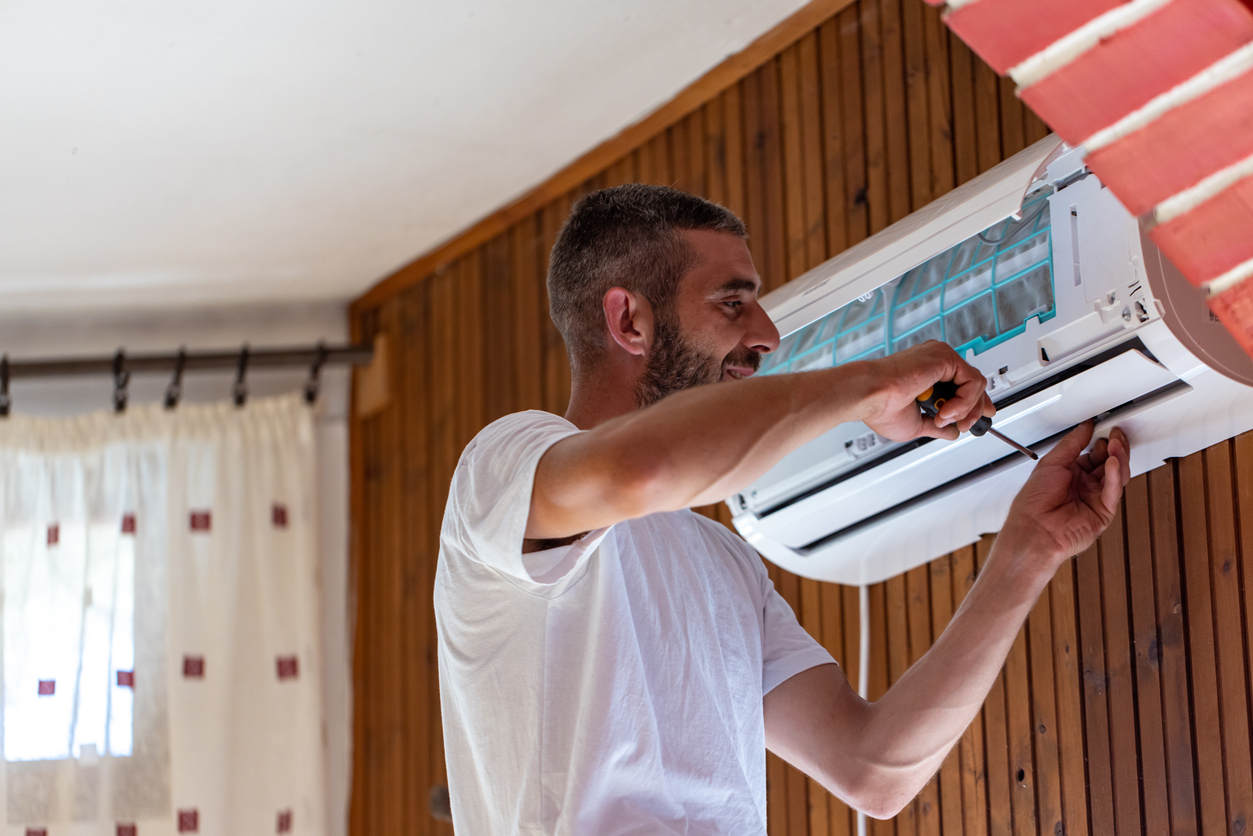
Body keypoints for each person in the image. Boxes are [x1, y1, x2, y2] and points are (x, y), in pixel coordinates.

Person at [434, 184, 1130, 834]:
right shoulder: (504, 465)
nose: (766, 333)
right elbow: (641, 468)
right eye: (731, 303)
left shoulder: (723, 562)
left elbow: (873, 768)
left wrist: (1028, 550)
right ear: (629, 320)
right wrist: (872, 384)